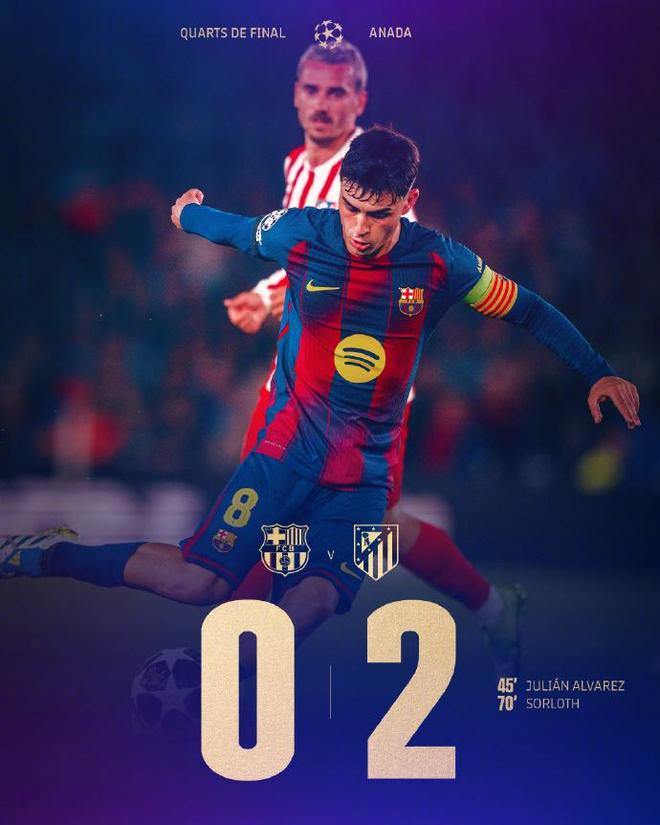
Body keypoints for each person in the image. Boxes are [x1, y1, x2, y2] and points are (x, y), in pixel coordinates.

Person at [1, 127, 640, 676]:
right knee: (199, 581)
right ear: (339, 191)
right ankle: (45, 553)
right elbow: (236, 231)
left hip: (362, 477)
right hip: (284, 452)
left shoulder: (444, 264)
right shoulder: (304, 232)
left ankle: (224, 689)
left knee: (314, 602)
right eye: (351, 206)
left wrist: (598, 372)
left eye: (378, 214)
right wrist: (186, 214)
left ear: (409, 203)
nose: (359, 227)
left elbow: (530, 310)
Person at [223, 41, 526, 672]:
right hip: (306, 384)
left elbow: (382, 265)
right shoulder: (299, 164)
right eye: (312, 89)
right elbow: (314, 263)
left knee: (341, 525)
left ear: (360, 100)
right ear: (294, 94)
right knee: (341, 524)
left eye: (337, 92)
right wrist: (267, 295)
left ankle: (230, 665)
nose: (322, 104)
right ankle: (491, 604)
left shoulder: (370, 173)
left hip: (364, 398)